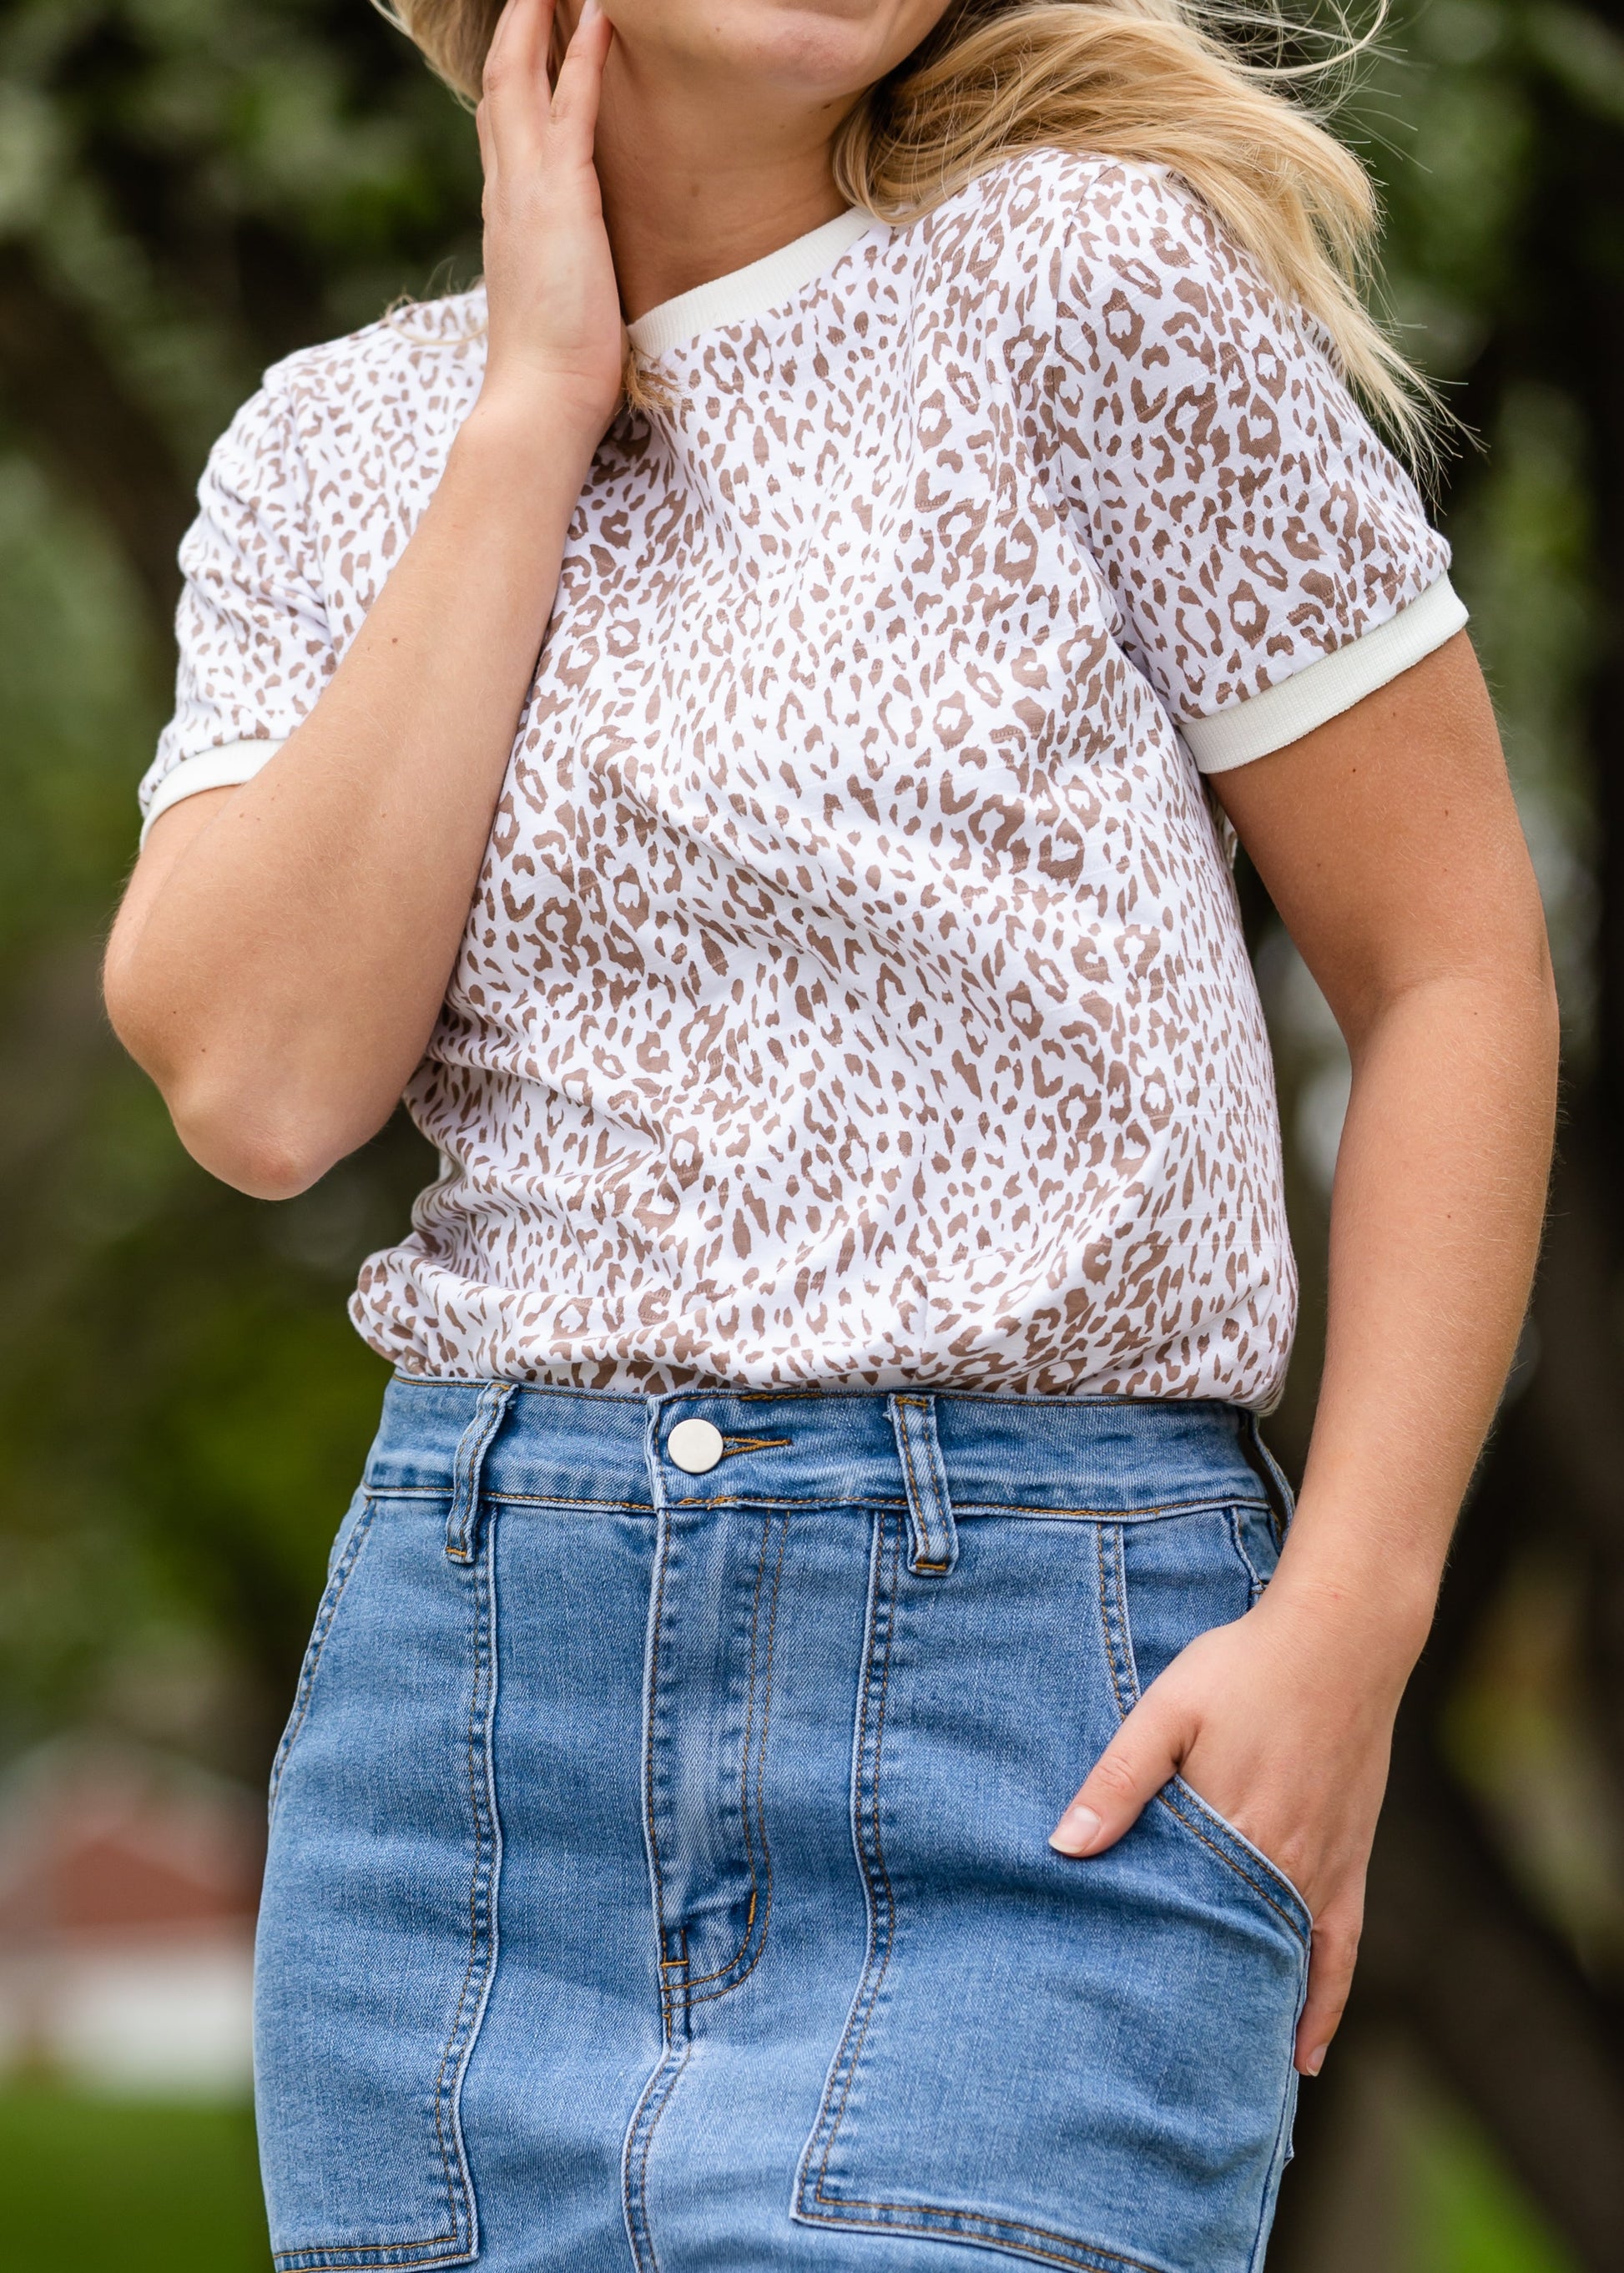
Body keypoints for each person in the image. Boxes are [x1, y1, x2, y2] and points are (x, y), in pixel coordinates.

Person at [102, 0, 1558, 2266]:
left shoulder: (1092, 282)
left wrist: (1348, 1621)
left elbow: (1454, 965)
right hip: (470, 1752)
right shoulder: (335, 447)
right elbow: (263, 1085)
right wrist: (530, 413)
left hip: (1032, 1719)